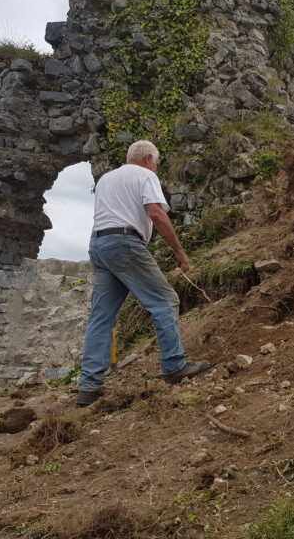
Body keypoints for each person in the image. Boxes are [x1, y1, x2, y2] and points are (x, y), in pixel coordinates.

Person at [76, 140, 211, 406]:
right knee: (165, 301)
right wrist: (180, 253)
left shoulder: (106, 179)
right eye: (158, 163)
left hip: (98, 245)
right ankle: (174, 366)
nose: (157, 168)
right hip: (124, 243)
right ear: (150, 158)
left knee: (101, 317)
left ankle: (89, 387)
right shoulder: (146, 175)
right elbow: (156, 214)